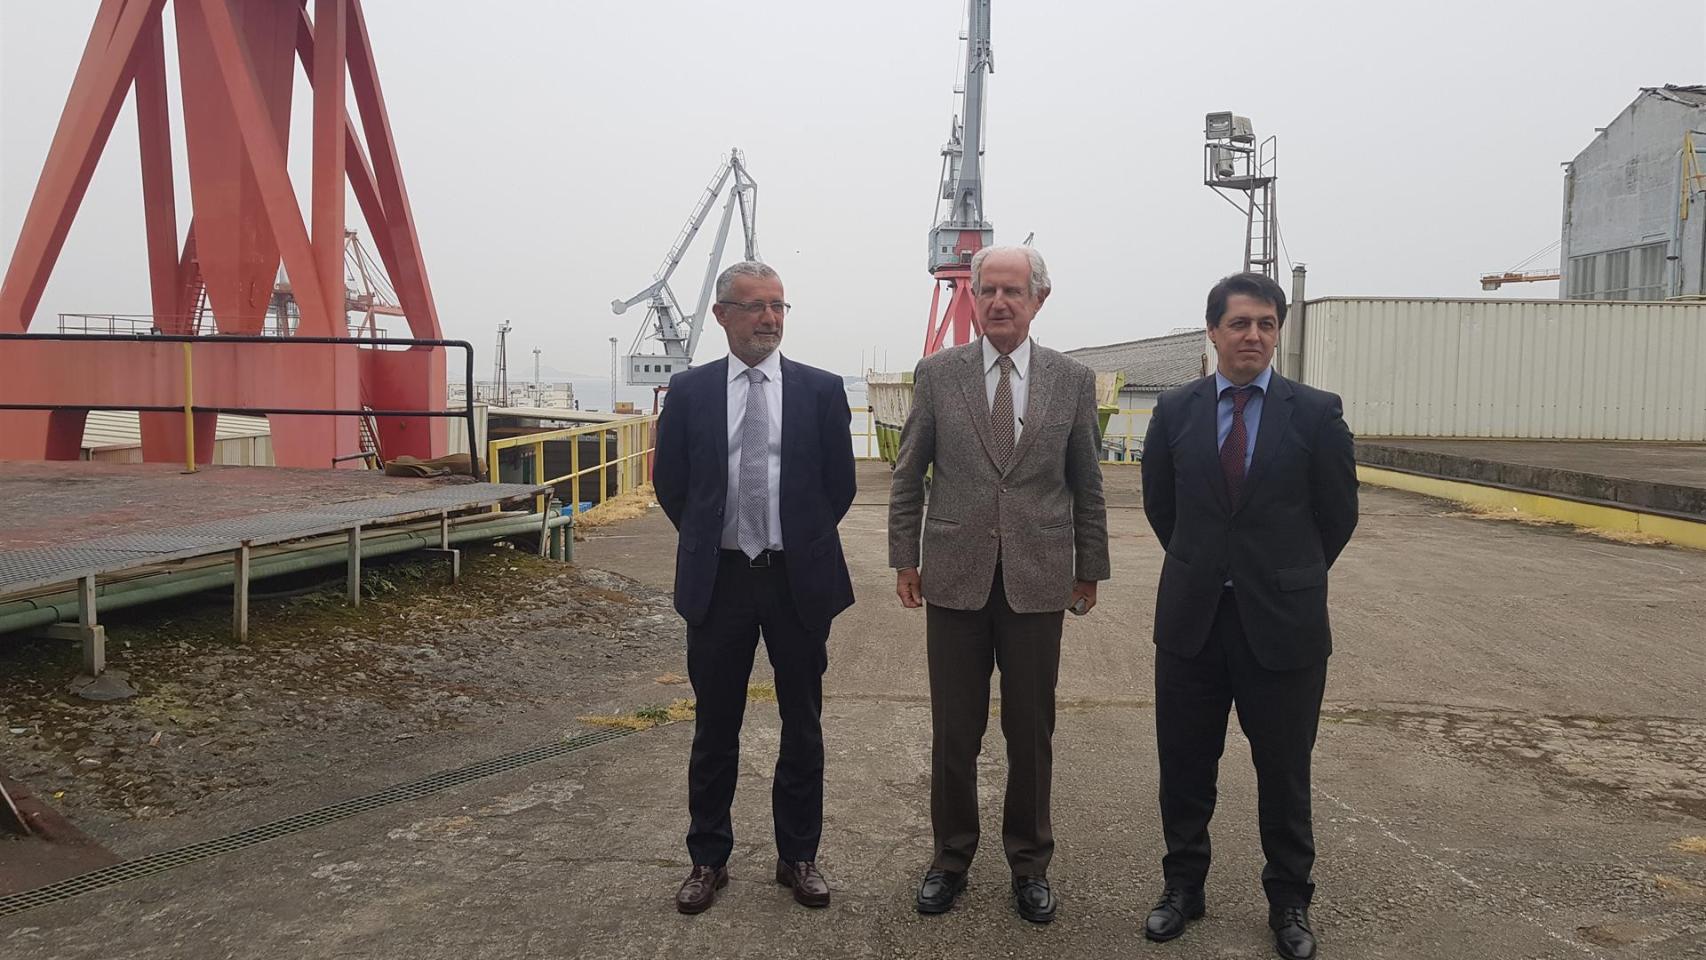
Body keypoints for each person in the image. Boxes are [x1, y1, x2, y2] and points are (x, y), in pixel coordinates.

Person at [1138, 272, 1358, 959]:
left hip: (1284, 626)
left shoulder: (1316, 414)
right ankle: (1183, 888)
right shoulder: (1174, 411)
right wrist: (1209, 564)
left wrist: (1284, 575)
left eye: (1266, 324)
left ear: (1278, 332)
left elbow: (1337, 516)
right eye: (1239, 324)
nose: (1253, 336)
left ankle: (1289, 901)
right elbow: (1162, 508)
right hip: (1193, 621)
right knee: (1184, 767)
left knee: (1285, 772)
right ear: (1213, 331)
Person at [888, 245, 1110, 923]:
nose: (999, 302)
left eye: (1013, 291)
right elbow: (908, 475)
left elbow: (1087, 483)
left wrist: (1089, 569)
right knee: (954, 732)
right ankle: (950, 859)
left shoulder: (1071, 380)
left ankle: (1030, 865)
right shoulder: (938, 374)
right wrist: (904, 559)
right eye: (988, 290)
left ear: (1039, 299)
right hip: (954, 577)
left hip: (1039, 580)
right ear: (975, 296)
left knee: (1030, 732)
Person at [653, 261, 856, 914]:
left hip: (797, 580)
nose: (770, 318)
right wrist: (713, 539)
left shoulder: (821, 391)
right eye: (755, 306)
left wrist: (795, 537)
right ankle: (708, 859)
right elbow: (673, 485)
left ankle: (798, 856)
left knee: (803, 724)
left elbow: (839, 486)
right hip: (720, 582)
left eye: (778, 305)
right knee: (715, 728)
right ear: (721, 315)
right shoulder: (689, 392)